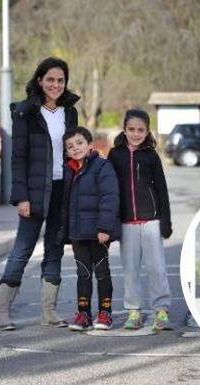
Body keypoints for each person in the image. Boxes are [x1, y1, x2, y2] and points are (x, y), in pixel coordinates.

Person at [0, 57, 80, 330]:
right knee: (22, 250)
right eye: (51, 79)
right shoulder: (24, 112)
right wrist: (21, 197)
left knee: (55, 248)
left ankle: (49, 312)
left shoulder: (70, 112)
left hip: (62, 190)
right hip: (33, 192)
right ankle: (2, 313)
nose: (55, 84)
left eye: (60, 80)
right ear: (40, 80)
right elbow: (18, 159)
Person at [107, 109, 173, 332]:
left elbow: (161, 189)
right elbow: (110, 190)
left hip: (151, 221)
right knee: (130, 269)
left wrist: (166, 220)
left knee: (157, 268)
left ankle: (161, 310)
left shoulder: (151, 156)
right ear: (124, 129)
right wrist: (110, 222)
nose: (136, 134)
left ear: (147, 131)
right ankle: (134, 311)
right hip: (126, 223)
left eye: (140, 130)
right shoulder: (115, 155)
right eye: (131, 129)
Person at [57, 127, 120, 331]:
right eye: (70, 146)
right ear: (66, 152)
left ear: (90, 145)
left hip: (98, 233)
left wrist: (104, 227)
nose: (75, 148)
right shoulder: (68, 170)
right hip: (78, 233)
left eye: (79, 143)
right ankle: (83, 314)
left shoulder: (102, 167)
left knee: (102, 272)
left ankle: (105, 313)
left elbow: (109, 198)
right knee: (82, 273)